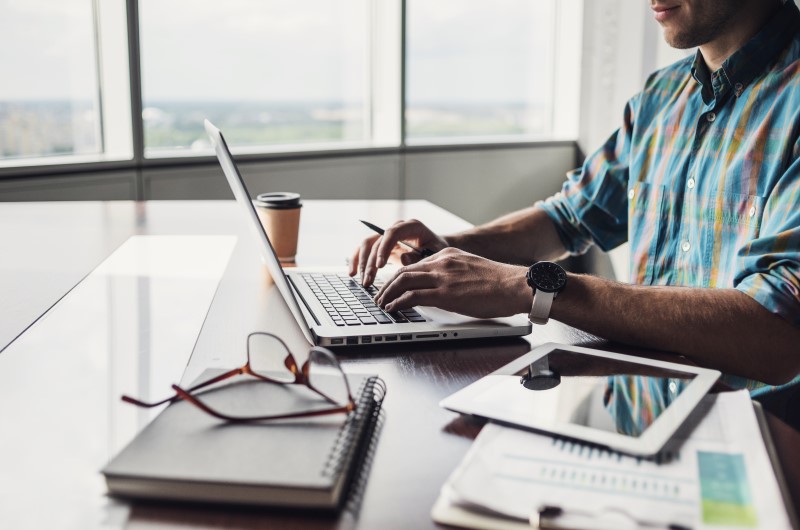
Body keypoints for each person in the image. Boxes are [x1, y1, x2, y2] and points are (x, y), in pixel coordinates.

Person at [350, 0, 800, 393]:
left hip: (763, 440)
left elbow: (780, 331)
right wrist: (449, 251)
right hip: (642, 406)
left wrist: (530, 288)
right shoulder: (660, 98)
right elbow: (571, 216)